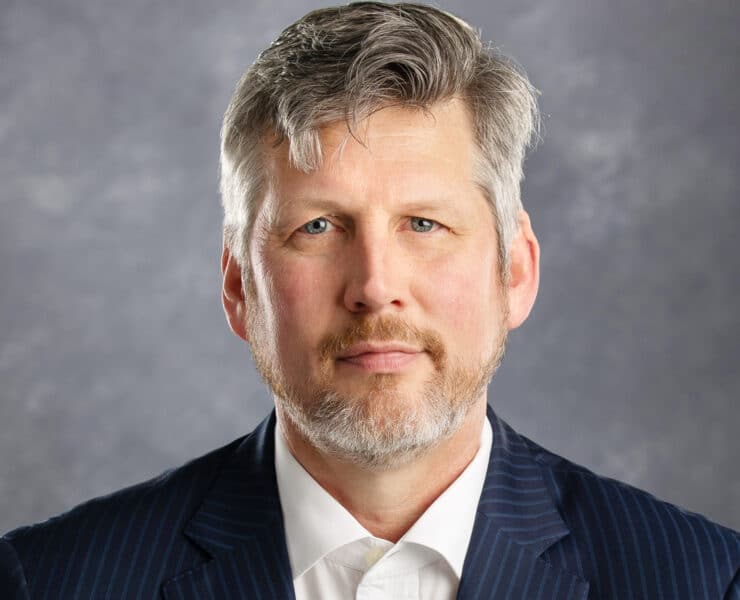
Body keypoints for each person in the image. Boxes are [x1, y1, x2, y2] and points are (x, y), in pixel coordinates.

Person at [1, 2, 738, 598]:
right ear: (238, 285)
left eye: (424, 224)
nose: (375, 286)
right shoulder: (48, 582)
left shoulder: (703, 582)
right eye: (318, 227)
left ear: (514, 270)